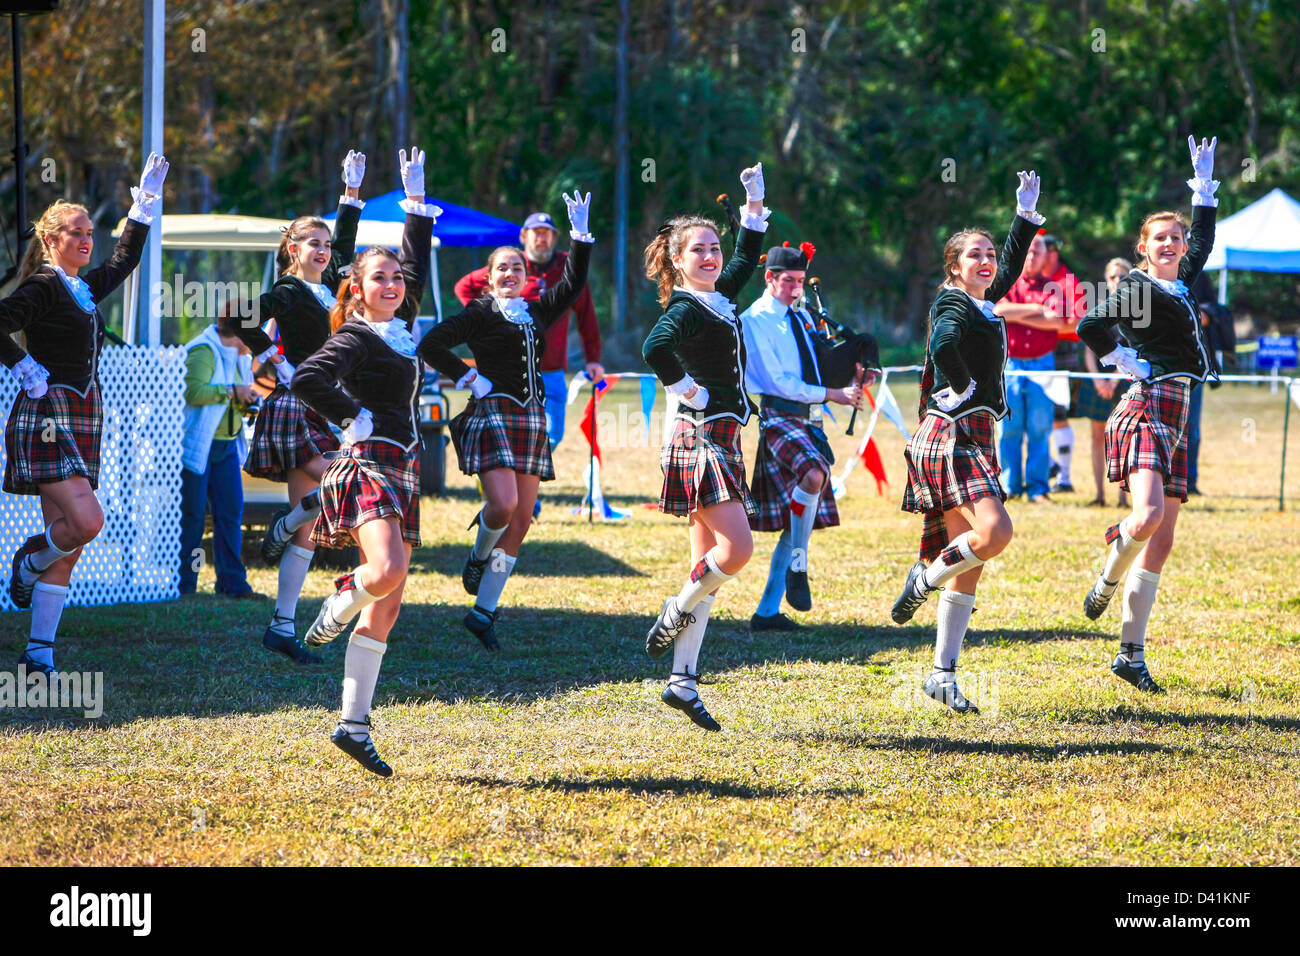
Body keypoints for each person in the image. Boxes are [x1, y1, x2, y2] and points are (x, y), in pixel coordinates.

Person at [289, 146, 438, 776]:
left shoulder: (400, 327)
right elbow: (306, 377)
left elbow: (419, 262)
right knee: (383, 569)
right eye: (380, 277)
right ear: (356, 287)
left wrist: (414, 205)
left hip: (403, 462)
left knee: (392, 599)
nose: (394, 284)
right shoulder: (355, 333)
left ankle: (353, 726)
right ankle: (337, 597)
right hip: (368, 462)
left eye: (398, 278)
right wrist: (352, 416)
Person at [0, 153, 168, 677]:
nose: (85, 240)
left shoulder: (82, 287)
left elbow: (123, 262)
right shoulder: (44, 285)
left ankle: (38, 654)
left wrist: (142, 207)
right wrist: (23, 362)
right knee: (87, 522)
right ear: (50, 241)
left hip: (81, 415)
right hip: (46, 416)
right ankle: (29, 560)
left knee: (67, 542)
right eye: (74, 233)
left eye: (88, 232)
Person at [892, 171, 1044, 714]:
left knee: (971, 562)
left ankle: (942, 674)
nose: (985, 262)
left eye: (989, 255)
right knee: (995, 532)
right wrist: (958, 385)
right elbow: (944, 342)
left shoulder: (982, 298)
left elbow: (1007, 267)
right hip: (949, 433)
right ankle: (923, 576)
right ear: (954, 266)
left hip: (976, 433)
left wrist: (1023, 217)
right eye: (973, 255)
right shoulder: (954, 303)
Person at [419, 191, 594, 651]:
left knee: (521, 520)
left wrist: (579, 236)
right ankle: (478, 555)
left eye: (518, 268)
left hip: (531, 420)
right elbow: (431, 346)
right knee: (501, 507)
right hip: (492, 416)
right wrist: (467, 377)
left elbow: (574, 285)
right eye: (503, 268)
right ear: (489, 277)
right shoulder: (478, 312)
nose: (512, 273)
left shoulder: (536, 310)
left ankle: (484, 612)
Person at [1077, 136, 1219, 695]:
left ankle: (1130, 655)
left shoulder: (1182, 280)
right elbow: (1091, 326)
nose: (1170, 244)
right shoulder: (1136, 286)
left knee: (1160, 539)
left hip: (1181, 408)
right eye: (1160, 238)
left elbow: (1205, 235)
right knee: (1146, 518)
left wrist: (1202, 185)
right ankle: (1107, 577)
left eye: (1177, 238)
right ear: (1143, 245)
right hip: (1145, 404)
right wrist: (1123, 357)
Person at [641, 162, 770, 732]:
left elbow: (746, 257)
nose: (711, 257)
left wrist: (754, 204)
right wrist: (684, 387)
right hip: (699, 437)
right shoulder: (685, 308)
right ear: (676, 260)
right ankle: (676, 609)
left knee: (706, 565)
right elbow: (654, 347)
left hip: (725, 436)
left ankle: (683, 681)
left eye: (713, 247)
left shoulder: (718, 297)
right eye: (698, 250)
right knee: (735, 553)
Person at [230, 150, 365, 664]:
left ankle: (281, 626)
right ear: (292, 247)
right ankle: (286, 529)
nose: (325, 251)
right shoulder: (286, 289)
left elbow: (347, 245)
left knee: (307, 524)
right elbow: (236, 318)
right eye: (314, 243)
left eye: (327, 245)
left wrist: (349, 197)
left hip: (328, 403)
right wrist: (271, 357)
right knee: (346, 479)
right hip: (297, 405)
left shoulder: (331, 286)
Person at [740, 241, 865, 628]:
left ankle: (766, 613)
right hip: (779, 414)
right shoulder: (756, 319)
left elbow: (819, 364)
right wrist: (834, 394)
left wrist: (853, 374)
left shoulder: (801, 316)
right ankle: (800, 563)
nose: (796, 289)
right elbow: (779, 380)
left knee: (795, 522)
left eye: (800, 281)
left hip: (811, 420)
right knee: (813, 475)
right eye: (788, 281)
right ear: (769, 278)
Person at [454, 211, 603, 477]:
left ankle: (516, 487)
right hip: (509, 372)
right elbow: (464, 286)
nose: (542, 240)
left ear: (554, 238)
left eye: (547, 234)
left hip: (551, 371)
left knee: (551, 436)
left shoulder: (568, 267)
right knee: (512, 437)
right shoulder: (510, 266)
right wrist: (486, 317)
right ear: (524, 236)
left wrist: (593, 358)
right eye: (537, 233)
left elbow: (586, 315)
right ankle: (513, 493)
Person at [179, 307, 255, 597]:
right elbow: (193, 392)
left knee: (230, 513)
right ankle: (184, 585)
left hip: (226, 445)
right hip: (198, 446)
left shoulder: (240, 357)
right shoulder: (203, 351)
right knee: (193, 516)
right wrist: (232, 392)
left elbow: (232, 394)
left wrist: (244, 398)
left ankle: (232, 583)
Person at [994, 231, 1070, 502]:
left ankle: (1038, 488)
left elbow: (1057, 321)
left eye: (1037, 251)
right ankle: (1010, 485)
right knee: (1009, 428)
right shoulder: (1005, 284)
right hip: (1010, 363)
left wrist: (1018, 312)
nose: (1031, 255)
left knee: (1040, 426)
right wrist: (1037, 311)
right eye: (1027, 250)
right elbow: (998, 311)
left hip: (1043, 364)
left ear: (1045, 257)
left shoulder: (1054, 287)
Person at [1075, 258, 1133, 508]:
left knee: (1124, 438)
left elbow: (1133, 350)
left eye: (1123, 276)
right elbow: (1088, 349)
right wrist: (1099, 379)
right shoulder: (1098, 309)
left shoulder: (1137, 310)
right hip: (1097, 379)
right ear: (1106, 280)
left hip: (1126, 379)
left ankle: (1123, 496)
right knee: (1097, 437)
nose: (1118, 281)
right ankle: (1099, 494)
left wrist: (1113, 378)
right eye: (1113, 277)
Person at [1040, 234, 1087, 494]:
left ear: (1052, 253)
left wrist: (1039, 322)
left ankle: (1064, 477)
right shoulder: (1033, 281)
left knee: (1058, 416)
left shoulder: (1068, 282)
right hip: (1034, 351)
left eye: (1039, 250)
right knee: (1030, 414)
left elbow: (1077, 321)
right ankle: (1049, 467)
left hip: (1061, 350)